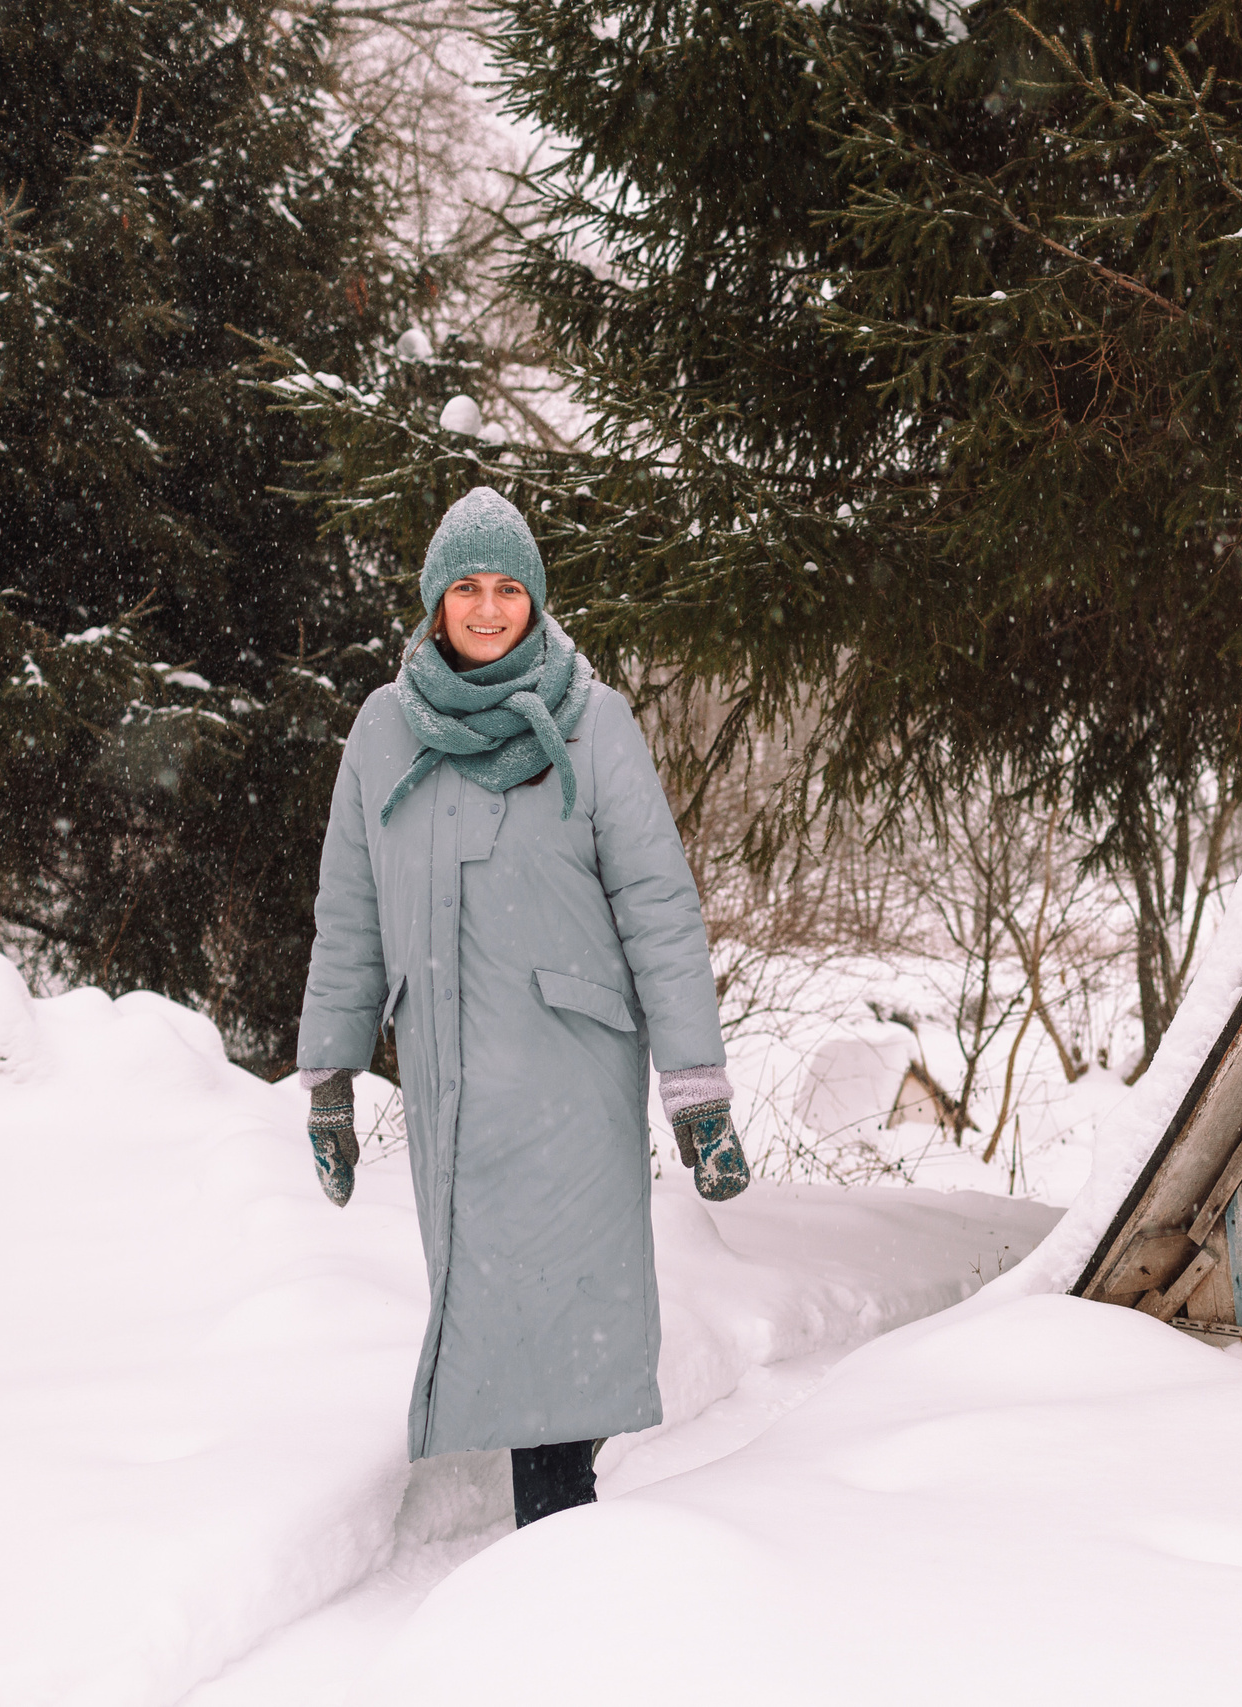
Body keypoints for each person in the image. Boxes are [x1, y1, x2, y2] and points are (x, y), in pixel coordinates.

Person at [294, 484, 747, 1528]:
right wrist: (329, 1078)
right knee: (498, 1310)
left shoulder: (593, 723)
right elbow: (350, 913)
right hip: (450, 1078)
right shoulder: (382, 731)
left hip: (569, 1079)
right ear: (435, 603)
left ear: (536, 600)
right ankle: (549, 1550)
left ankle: (558, 1549)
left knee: (564, 1321)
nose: (489, 609)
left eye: (509, 588)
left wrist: (696, 1088)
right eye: (468, 589)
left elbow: (658, 906)